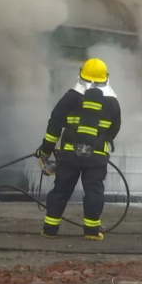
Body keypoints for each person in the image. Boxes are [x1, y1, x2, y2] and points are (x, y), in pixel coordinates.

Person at [35, 58, 121, 241]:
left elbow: (54, 125)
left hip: (69, 155)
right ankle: (91, 232)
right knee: (94, 191)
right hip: (97, 157)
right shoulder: (112, 102)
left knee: (61, 189)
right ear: (106, 78)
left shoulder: (71, 97)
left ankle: (49, 229)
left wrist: (45, 149)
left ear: (81, 74)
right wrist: (101, 142)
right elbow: (114, 128)